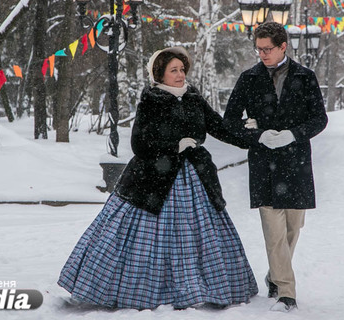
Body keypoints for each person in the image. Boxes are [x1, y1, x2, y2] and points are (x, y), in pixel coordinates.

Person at [58, 47, 258, 310]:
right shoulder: (150, 101)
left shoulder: (194, 98)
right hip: (153, 182)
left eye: (182, 69)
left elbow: (219, 127)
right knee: (147, 238)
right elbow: (140, 144)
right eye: (173, 70)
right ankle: (146, 292)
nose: (180, 74)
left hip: (195, 176)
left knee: (198, 234)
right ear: (159, 75)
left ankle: (201, 287)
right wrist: (174, 145)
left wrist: (251, 134)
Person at [223, 22, 328, 312]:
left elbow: (320, 119)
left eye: (267, 49)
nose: (262, 54)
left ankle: (275, 275)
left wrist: (294, 134)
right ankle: (286, 294)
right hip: (264, 164)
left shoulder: (305, 77)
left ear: (283, 46)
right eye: (258, 49)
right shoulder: (249, 78)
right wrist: (257, 135)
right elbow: (229, 121)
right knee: (274, 233)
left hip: (296, 163)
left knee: (293, 228)